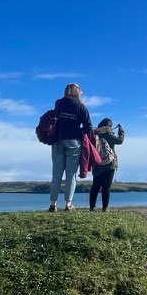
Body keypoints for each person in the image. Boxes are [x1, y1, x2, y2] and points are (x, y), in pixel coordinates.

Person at [49, 83, 93, 212]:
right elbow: (88, 127)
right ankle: (68, 204)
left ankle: (53, 204)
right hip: (74, 142)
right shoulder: (81, 107)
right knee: (71, 174)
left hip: (58, 141)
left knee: (56, 174)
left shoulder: (59, 103)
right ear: (77, 92)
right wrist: (80, 131)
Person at [90, 118, 125, 211]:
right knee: (106, 187)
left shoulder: (95, 134)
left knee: (95, 186)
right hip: (109, 164)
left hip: (97, 163)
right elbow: (120, 141)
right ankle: (105, 208)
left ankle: (92, 207)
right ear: (109, 126)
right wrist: (121, 131)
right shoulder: (108, 134)